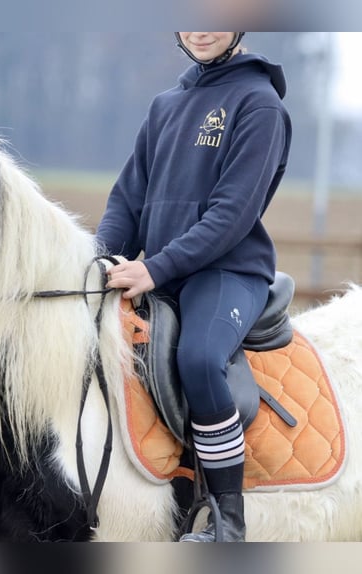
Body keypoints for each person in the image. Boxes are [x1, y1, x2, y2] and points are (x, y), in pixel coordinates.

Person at [97, 32, 292, 542]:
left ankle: (228, 523)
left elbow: (232, 215)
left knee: (200, 358)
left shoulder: (260, 105)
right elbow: (127, 202)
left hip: (228, 272)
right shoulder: (166, 105)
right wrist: (98, 259)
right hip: (164, 269)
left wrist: (154, 269)